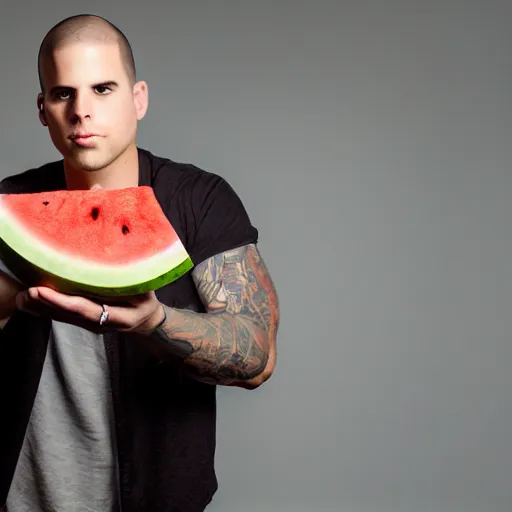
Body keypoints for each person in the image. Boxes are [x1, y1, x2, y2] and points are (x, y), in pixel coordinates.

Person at [0, 13, 279, 512]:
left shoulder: (199, 199)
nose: (82, 111)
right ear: (43, 109)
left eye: (103, 89)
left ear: (138, 98)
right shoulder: (8, 207)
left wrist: (154, 322)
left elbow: (256, 357)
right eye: (63, 94)